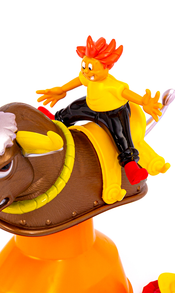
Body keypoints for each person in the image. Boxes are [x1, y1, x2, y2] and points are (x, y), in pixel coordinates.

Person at [37, 36, 162, 185]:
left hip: (114, 113)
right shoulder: (89, 77)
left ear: (106, 67)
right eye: (84, 66)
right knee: (72, 109)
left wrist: (143, 102)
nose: (86, 72)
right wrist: (62, 89)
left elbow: (126, 94)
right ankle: (57, 119)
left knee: (121, 137)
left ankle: (131, 166)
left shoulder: (112, 85)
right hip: (92, 106)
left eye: (90, 68)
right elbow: (80, 80)